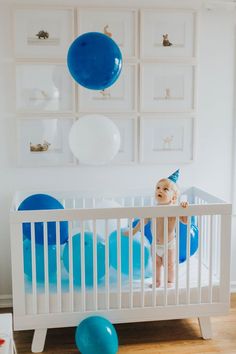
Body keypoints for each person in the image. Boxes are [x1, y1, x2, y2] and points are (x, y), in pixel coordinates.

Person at [124, 169, 188, 287]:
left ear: (173, 197)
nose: (160, 190)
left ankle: (170, 281)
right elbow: (143, 221)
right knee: (157, 264)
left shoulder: (174, 209)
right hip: (155, 244)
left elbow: (185, 221)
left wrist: (184, 210)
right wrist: (133, 231)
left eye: (165, 189)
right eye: (158, 188)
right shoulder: (153, 209)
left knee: (169, 265)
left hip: (169, 244)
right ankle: (157, 281)